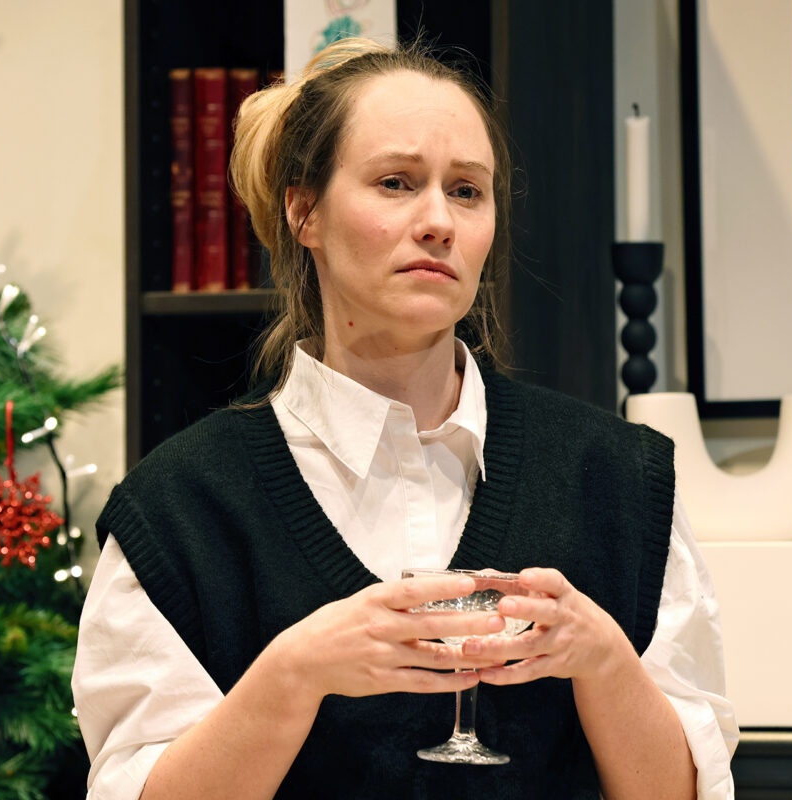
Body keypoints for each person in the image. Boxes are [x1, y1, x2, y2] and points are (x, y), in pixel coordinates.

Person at [73, 37, 738, 800]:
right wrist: (294, 675)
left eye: (466, 191)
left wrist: (604, 659)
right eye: (395, 182)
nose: (438, 222)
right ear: (304, 212)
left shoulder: (620, 479)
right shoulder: (180, 509)